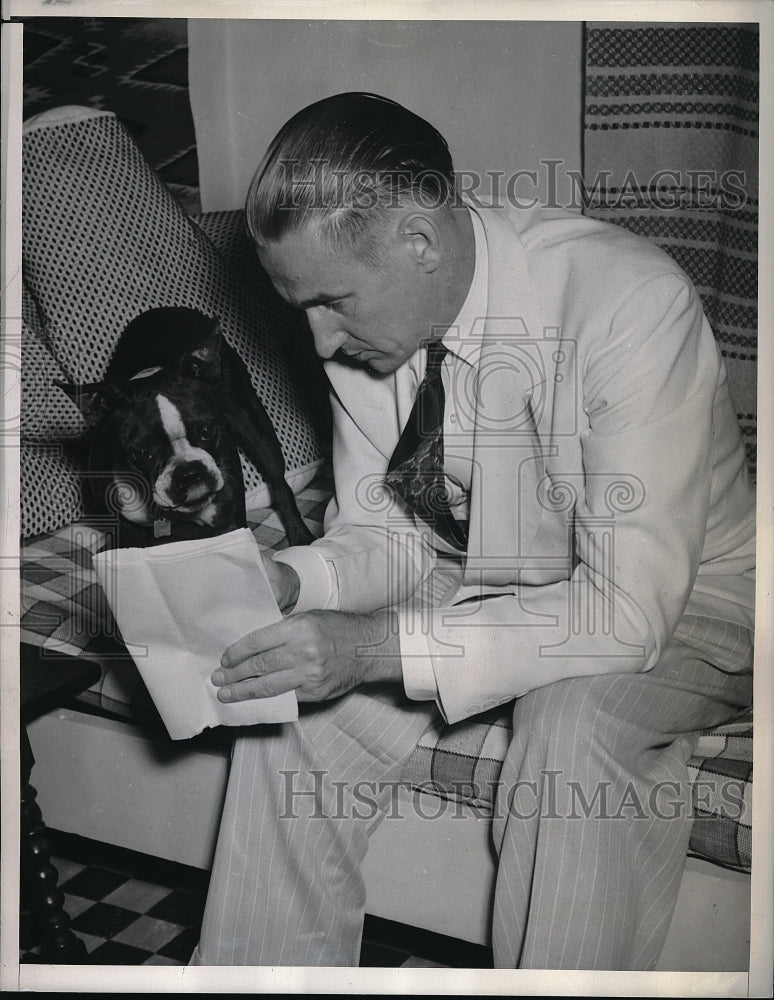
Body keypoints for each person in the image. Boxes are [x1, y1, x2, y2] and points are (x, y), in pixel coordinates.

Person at [190, 92, 755, 970]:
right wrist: (299, 584)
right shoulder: (368, 328)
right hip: (485, 573)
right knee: (289, 704)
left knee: (572, 724)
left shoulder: (626, 304)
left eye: (332, 302)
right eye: (301, 305)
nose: (318, 337)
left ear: (420, 242)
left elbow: (625, 614)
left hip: (689, 599)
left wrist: (376, 647)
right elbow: (392, 533)